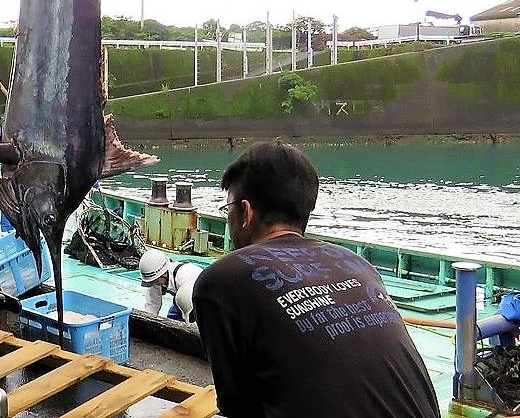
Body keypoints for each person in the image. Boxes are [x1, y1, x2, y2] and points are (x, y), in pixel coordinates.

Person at [192, 140, 440, 418]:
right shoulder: (357, 264)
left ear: (246, 213)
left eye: (229, 209)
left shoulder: (221, 281)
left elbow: (237, 407)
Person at [138, 248, 202, 321]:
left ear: (164, 273)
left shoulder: (183, 277)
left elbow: (189, 313)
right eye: (152, 281)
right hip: (180, 297)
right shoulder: (156, 278)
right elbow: (152, 305)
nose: (155, 284)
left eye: (156, 280)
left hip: (200, 295)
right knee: (172, 322)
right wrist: (148, 323)